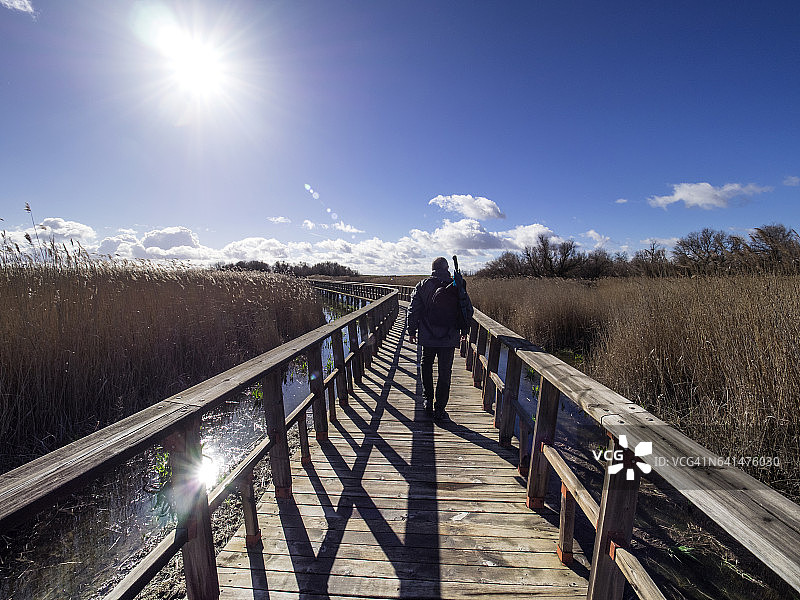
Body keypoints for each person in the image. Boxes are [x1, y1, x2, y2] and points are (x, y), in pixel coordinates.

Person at [407, 256, 474, 421]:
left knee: (426, 366)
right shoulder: (456, 284)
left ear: (432, 269)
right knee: (445, 372)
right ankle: (440, 409)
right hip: (449, 337)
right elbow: (466, 308)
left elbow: (413, 309)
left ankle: (427, 401)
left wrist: (412, 331)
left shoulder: (422, 285)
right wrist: (464, 330)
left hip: (428, 336)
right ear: (447, 268)